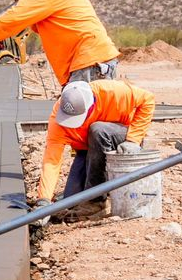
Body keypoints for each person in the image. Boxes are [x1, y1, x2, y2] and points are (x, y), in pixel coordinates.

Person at [39, 78, 155, 208]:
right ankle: (94, 190)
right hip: (89, 148)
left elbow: (148, 99)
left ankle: (97, 201)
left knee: (98, 129)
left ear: (91, 106)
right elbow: (51, 161)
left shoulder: (112, 92)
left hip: (122, 140)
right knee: (71, 199)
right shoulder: (58, 120)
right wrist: (44, 199)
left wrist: (133, 139)